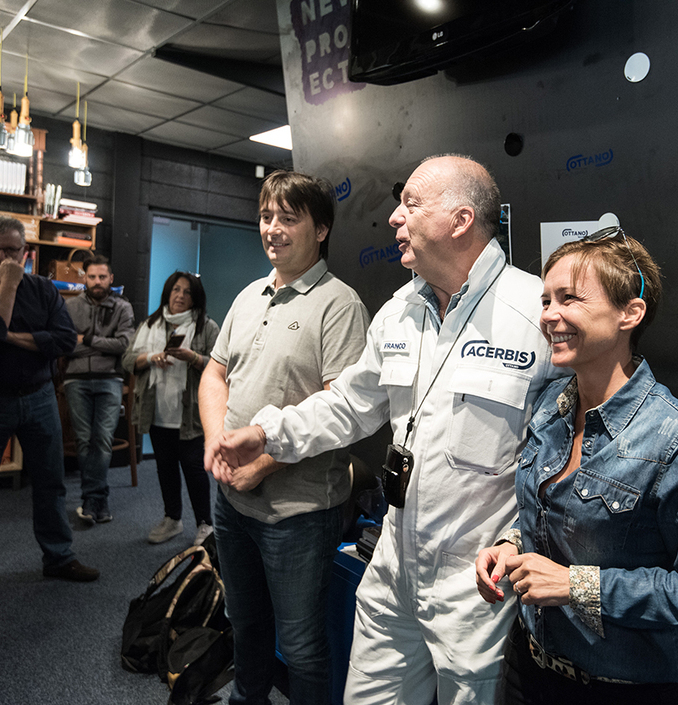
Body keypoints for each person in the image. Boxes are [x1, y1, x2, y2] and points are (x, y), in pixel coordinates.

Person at [206, 155, 557, 704]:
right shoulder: (399, 311)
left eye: (411, 204)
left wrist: (517, 539)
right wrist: (269, 434)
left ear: (460, 220)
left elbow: (564, 452)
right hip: (394, 564)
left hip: (476, 579)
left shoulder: (536, 313)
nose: (394, 217)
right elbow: (348, 404)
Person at [475, 229, 678, 704]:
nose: (549, 315)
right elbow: (555, 515)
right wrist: (512, 545)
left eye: (569, 298)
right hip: (529, 666)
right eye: (546, 300)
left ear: (630, 313)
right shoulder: (552, 405)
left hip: (621, 691)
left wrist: (575, 585)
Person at [199, 170, 369, 705]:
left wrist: (260, 465)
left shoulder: (340, 305)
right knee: (243, 622)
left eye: (287, 218)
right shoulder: (249, 295)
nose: (272, 228)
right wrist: (215, 444)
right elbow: (215, 374)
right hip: (230, 501)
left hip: (298, 513)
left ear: (320, 230)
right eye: (266, 216)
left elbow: (339, 409)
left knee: (300, 647)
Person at [0, 215, 99, 618]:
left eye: (11, 250)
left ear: (25, 251)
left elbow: (65, 340)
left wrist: (7, 335)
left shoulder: (43, 289)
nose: (2, 257)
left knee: (51, 485)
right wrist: (9, 285)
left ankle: (59, 557)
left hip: (39, 397)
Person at [122, 272, 219, 545]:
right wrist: (151, 358)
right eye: (176, 289)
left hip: (191, 413)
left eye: (187, 292)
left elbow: (222, 366)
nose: (180, 296)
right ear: (168, 293)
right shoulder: (150, 324)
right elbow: (128, 360)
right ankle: (172, 519)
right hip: (157, 410)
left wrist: (193, 357)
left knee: (194, 468)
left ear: (195, 297)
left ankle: (205, 524)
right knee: (165, 468)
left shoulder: (207, 327)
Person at [63, 254, 135, 524]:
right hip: (76, 379)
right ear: (84, 278)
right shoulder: (69, 306)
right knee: (84, 439)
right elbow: (64, 345)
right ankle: (97, 500)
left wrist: (88, 339)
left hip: (110, 378)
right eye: (92, 276)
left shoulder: (123, 307)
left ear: (111, 278)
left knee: (103, 439)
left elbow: (124, 345)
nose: (97, 281)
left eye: (102, 277)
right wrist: (105, 344)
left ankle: (91, 500)